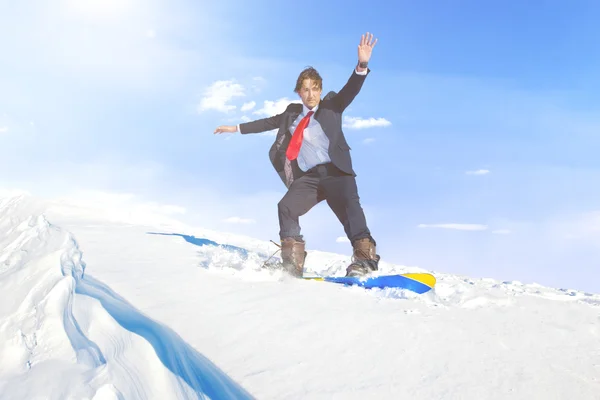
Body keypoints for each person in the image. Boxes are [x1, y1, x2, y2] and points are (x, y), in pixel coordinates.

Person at [214, 32, 380, 278]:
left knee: (350, 212)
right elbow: (266, 123)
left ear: (321, 90)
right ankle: (292, 263)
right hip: (311, 177)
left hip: (337, 172)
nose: (310, 94)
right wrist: (235, 128)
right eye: (305, 90)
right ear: (298, 93)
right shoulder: (292, 113)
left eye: (315, 89)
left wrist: (362, 65)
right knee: (286, 207)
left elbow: (351, 89)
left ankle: (364, 261)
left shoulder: (333, 105)